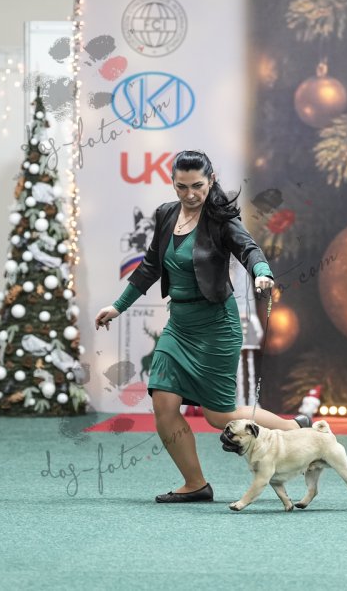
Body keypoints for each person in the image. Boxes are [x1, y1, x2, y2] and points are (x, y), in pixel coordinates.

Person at [94, 150, 312, 504]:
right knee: (163, 403)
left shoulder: (221, 220)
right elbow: (150, 266)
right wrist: (118, 306)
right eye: (182, 186)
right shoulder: (166, 214)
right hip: (179, 327)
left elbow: (249, 249)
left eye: (197, 185)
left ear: (211, 180)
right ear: (173, 183)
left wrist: (262, 272)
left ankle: (293, 429)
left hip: (217, 328)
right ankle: (195, 484)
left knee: (218, 416)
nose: (190, 194)